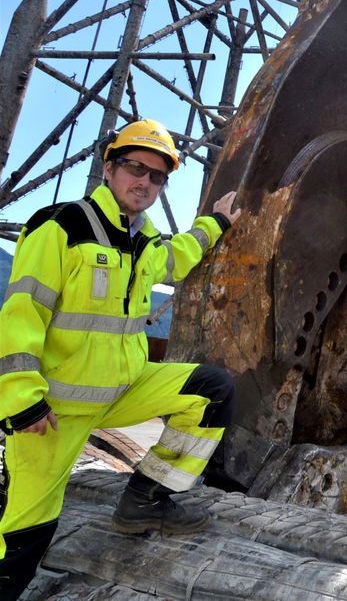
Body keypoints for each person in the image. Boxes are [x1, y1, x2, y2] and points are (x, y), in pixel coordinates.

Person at [0, 119, 242, 598]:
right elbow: (21, 315)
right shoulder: (60, 226)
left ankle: (145, 498)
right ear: (109, 169)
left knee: (211, 390)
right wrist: (23, 400)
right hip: (54, 412)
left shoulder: (146, 243)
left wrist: (217, 221)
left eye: (156, 177)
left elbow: (179, 255)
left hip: (122, 391)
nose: (145, 182)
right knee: (24, 537)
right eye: (135, 168)